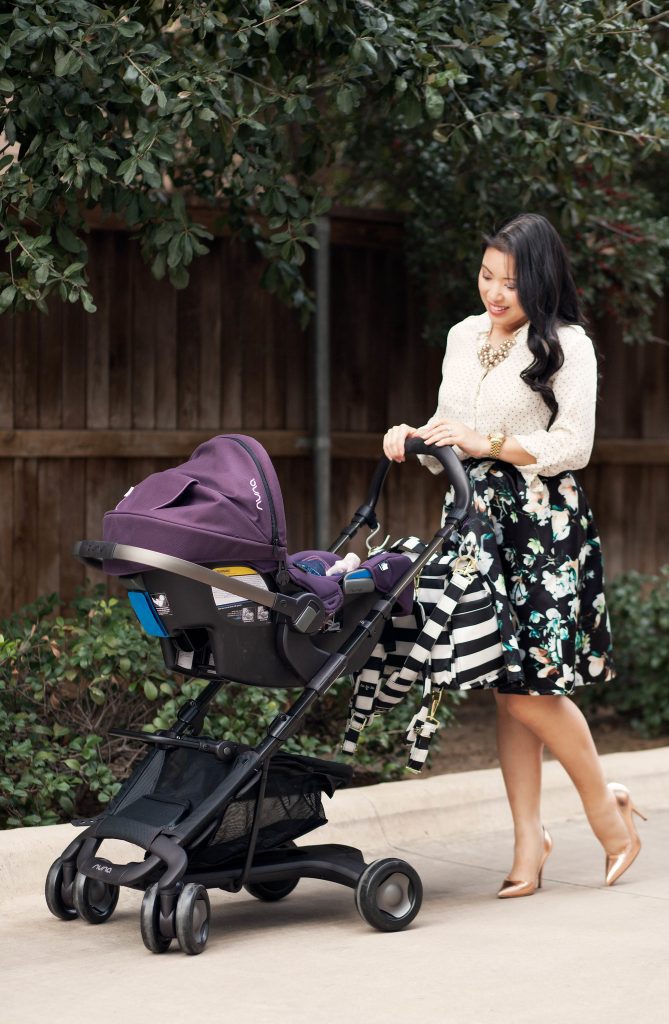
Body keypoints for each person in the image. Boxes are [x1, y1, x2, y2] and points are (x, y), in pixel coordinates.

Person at [383, 212, 646, 898]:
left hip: (540, 528)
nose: (494, 293)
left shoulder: (566, 344)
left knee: (530, 688)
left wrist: (486, 443)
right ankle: (529, 841)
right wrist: (414, 437)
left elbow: (573, 447)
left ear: (540, 279)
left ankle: (606, 813)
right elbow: (450, 441)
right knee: (506, 688)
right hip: (473, 523)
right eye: (485, 277)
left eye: (509, 281)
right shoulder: (462, 336)